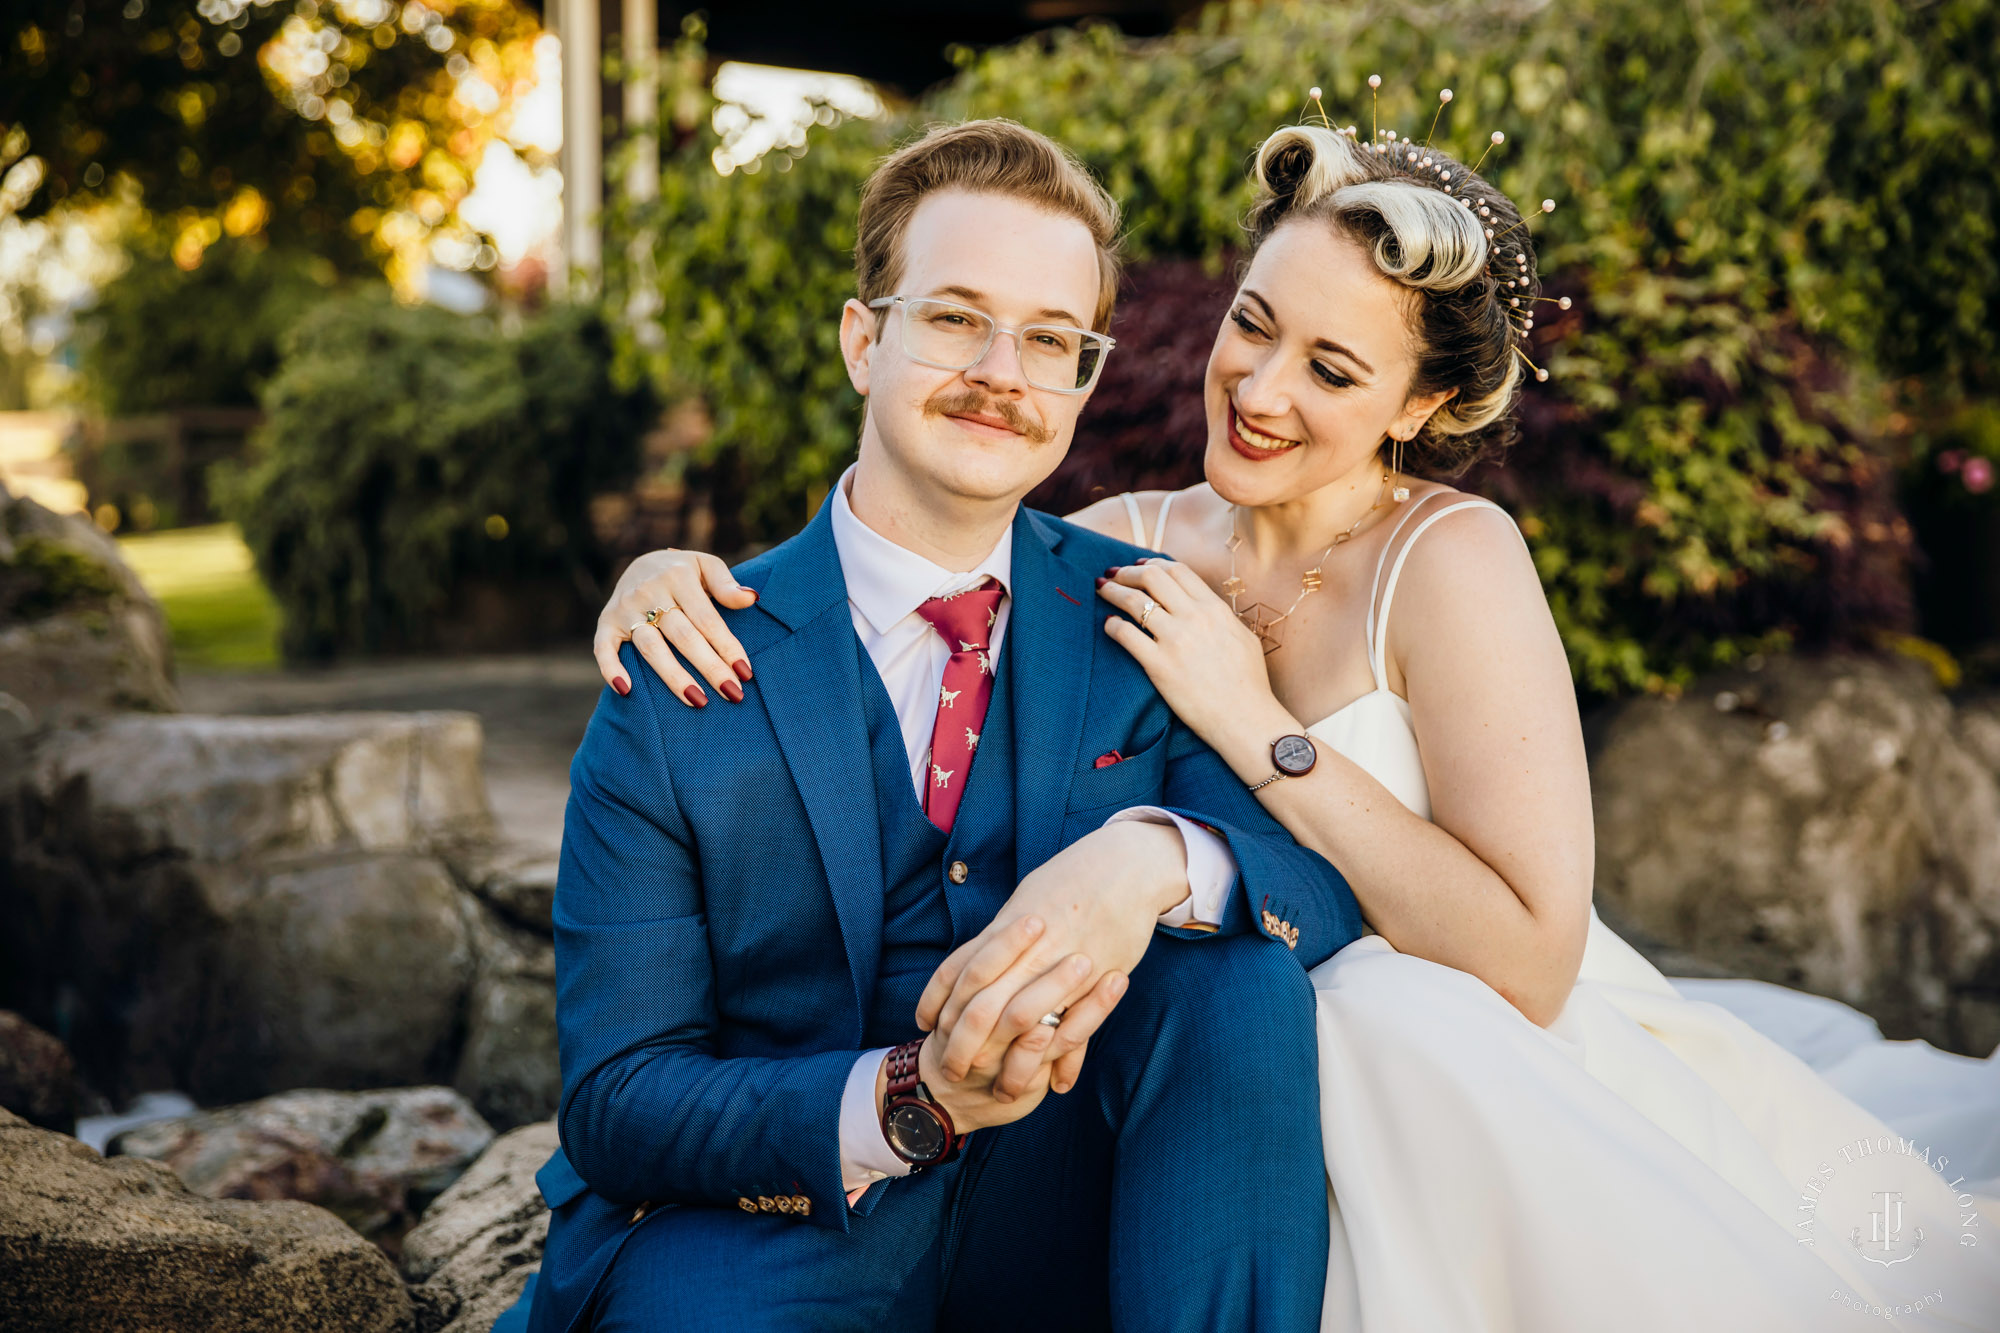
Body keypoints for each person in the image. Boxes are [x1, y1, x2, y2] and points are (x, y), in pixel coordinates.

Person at [595, 113, 2000, 1330]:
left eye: (1333, 369)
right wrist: (666, 581)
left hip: (1444, 1046)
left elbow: (1527, 954)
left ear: (1424, 401)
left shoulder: (1450, 560)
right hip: (1149, 1088)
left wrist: (1247, 739)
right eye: (1253, 326)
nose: (1260, 392)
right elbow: (925, 560)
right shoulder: (1129, 544)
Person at [509, 118, 1369, 1333]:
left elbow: (1314, 883)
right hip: (774, 1230)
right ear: (866, 339)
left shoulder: (1146, 618)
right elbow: (620, 1093)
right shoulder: (683, 658)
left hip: (1073, 1213)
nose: (1001, 373)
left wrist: (1153, 861)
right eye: (955, 317)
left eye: (1049, 340)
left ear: (1082, 379)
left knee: (1237, 983)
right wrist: (906, 1101)